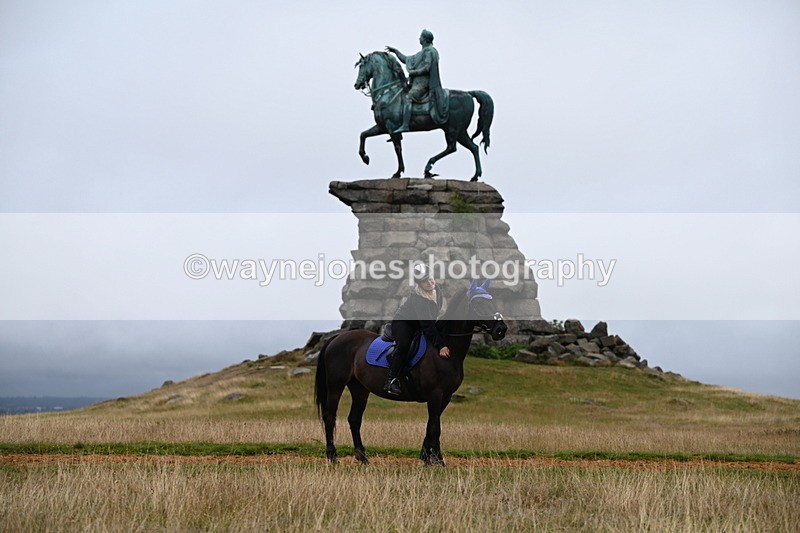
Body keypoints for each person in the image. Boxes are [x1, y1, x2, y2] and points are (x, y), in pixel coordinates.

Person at [384, 264, 450, 396]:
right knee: (404, 345)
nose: (429, 282)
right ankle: (391, 380)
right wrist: (441, 345)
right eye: (425, 281)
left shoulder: (438, 289)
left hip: (421, 323)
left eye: (430, 278)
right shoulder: (418, 299)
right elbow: (427, 325)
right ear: (419, 284)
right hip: (404, 323)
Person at [385, 29, 448, 134]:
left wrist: (414, 72)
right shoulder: (422, 53)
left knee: (408, 98)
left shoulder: (430, 51)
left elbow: (427, 68)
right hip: (416, 84)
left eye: (421, 37)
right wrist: (395, 51)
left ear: (425, 39)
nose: (419, 38)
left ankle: (405, 125)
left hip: (423, 84)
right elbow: (406, 59)